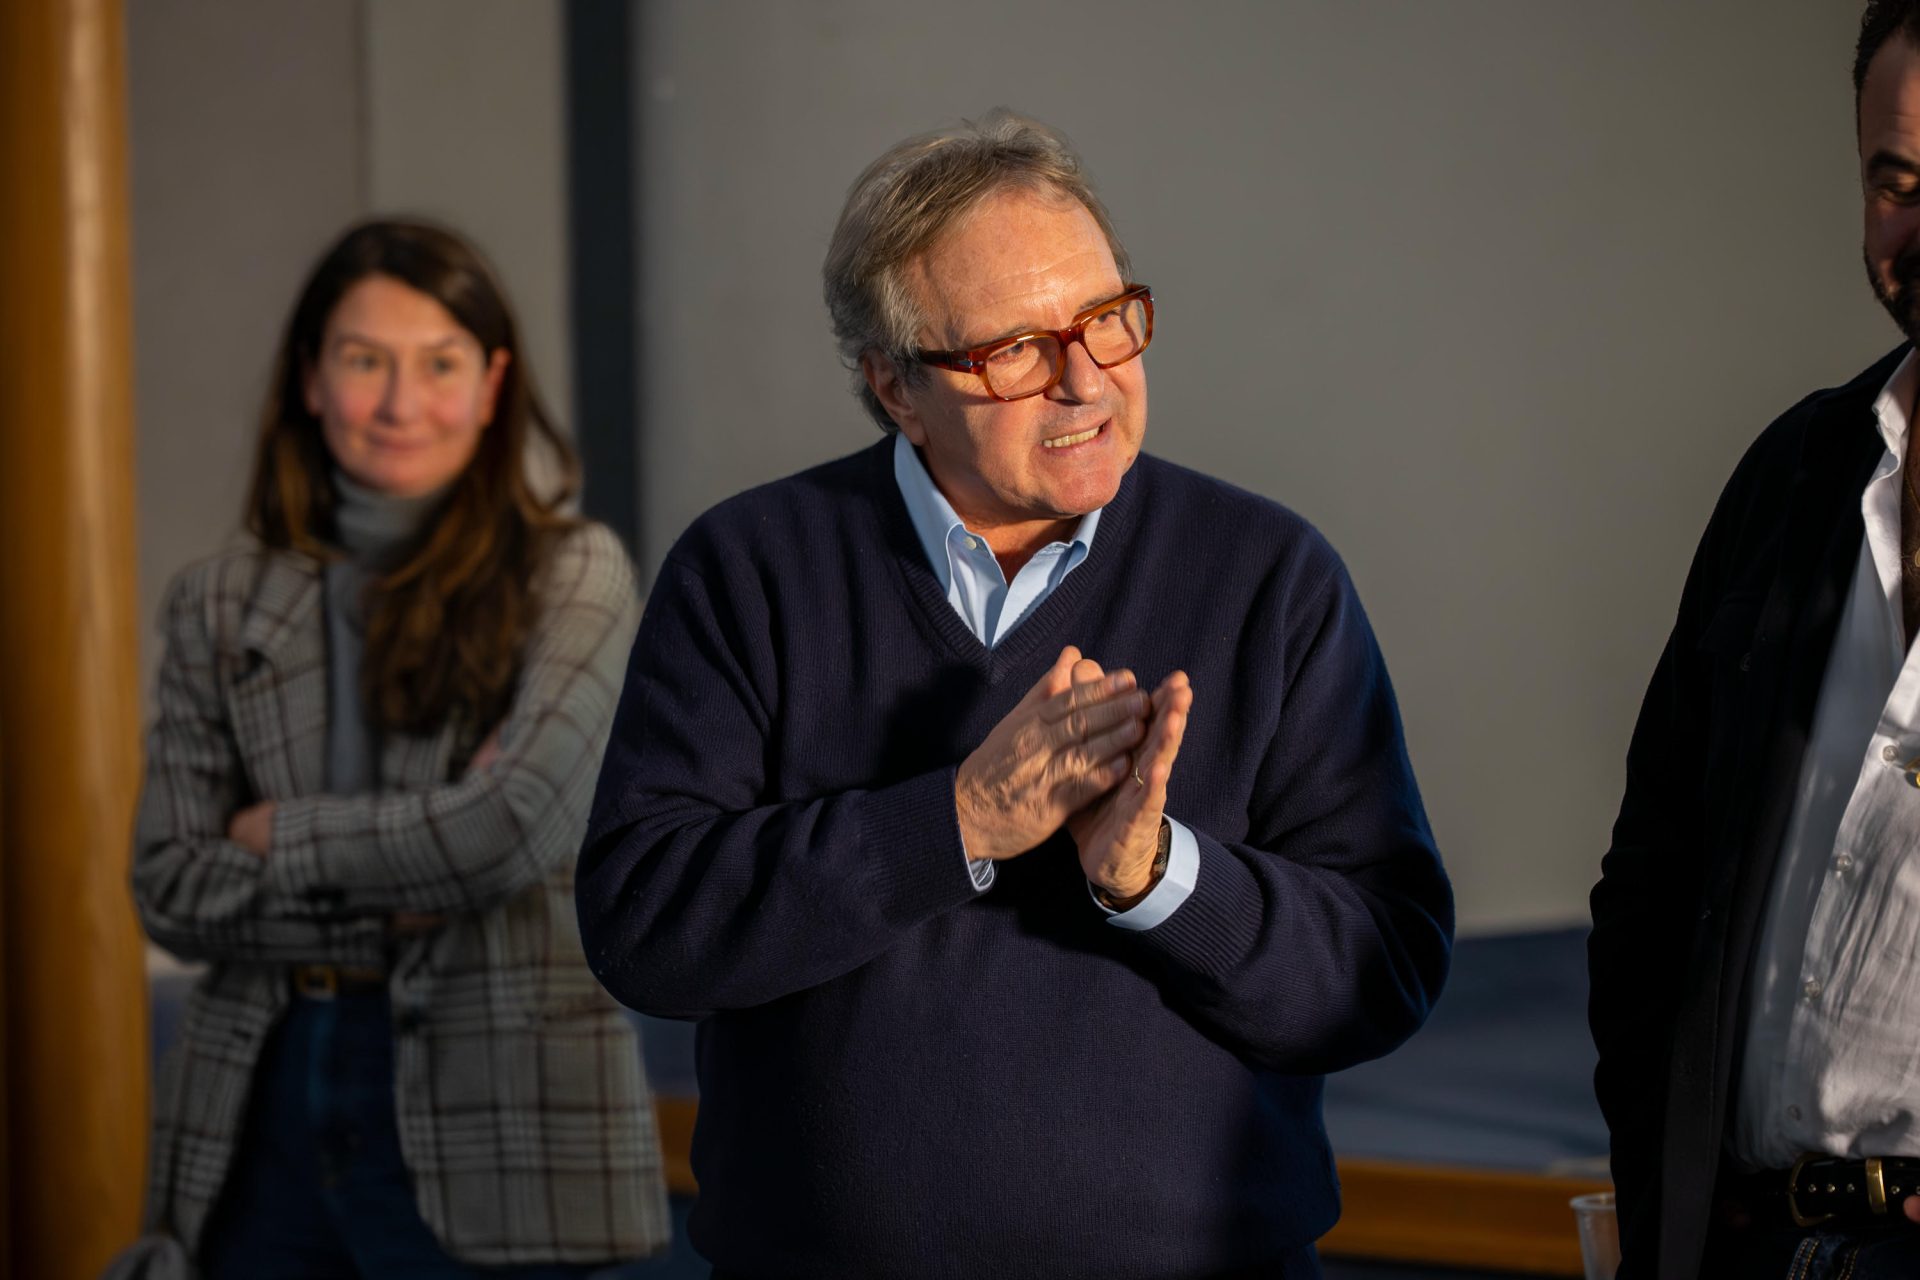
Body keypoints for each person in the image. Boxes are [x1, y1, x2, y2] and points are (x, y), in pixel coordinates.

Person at [576, 110, 1453, 1278]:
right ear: (895, 385)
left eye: (1106, 319)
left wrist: (1159, 879)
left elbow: (1382, 975)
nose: (1087, 381)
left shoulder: (1269, 575)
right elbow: (644, 928)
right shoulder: (750, 569)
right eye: (1018, 349)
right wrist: (955, 821)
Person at [120, 219, 668, 1277]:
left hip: (499, 1103)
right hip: (262, 1097)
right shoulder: (217, 602)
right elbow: (169, 883)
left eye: (440, 364)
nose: (400, 404)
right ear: (311, 379)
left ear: (493, 383)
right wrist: (415, 874)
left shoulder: (574, 574)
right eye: (365, 361)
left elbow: (506, 831)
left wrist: (273, 834)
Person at [1590, 6, 1920, 1277]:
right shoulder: (1796, 473)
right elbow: (1652, 881)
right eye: (1897, 183)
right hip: (1745, 1243)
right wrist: (1666, 1192)